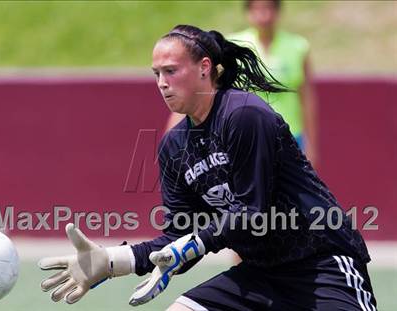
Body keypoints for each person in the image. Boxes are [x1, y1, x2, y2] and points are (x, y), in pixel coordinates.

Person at [38, 25, 376, 311]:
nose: (161, 83)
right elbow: (180, 233)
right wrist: (113, 262)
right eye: (156, 74)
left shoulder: (244, 115)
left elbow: (251, 211)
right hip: (260, 275)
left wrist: (196, 243)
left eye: (171, 70)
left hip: (320, 264)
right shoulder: (174, 147)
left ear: (204, 67)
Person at [166, 0, 319, 168]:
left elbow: (307, 99)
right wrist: (173, 133)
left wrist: (310, 142)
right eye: (258, 9)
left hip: (290, 136)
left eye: (269, 8)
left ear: (278, 11)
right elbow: (202, 88)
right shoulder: (235, 46)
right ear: (248, 12)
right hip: (245, 136)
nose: (264, 15)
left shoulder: (298, 47)